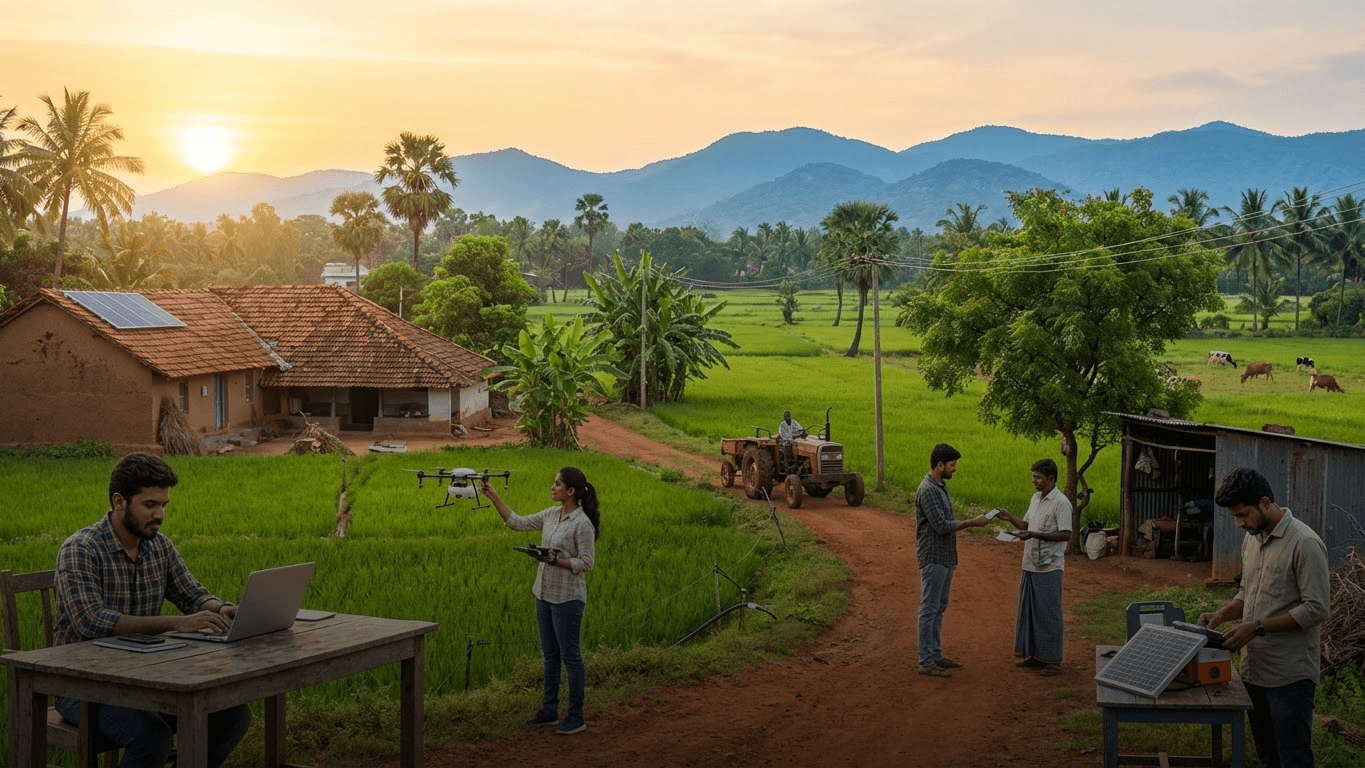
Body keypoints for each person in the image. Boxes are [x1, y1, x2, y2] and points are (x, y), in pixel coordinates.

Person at [53, 453, 252, 768]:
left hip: (144, 679)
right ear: (120, 502)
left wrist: (225, 609)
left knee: (233, 715)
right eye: (150, 505)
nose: (160, 514)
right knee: (151, 737)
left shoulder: (159, 546)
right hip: (82, 686)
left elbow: (192, 594)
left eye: (164, 505)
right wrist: (177, 623)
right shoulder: (81, 549)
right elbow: (91, 621)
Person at [1197, 468, 1329, 768]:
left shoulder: (1304, 544)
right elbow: (1248, 592)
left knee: (1292, 758)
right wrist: (1223, 614)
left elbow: (1317, 608)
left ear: (1266, 503)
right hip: (1253, 669)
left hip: (1289, 675)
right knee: (1267, 756)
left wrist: (1257, 628)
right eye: (1234, 516)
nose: (1239, 523)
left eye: (1243, 515)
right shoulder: (1252, 540)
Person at [482, 466, 599, 735]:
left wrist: (554, 560)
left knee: (570, 657)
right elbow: (517, 522)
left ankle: (575, 716)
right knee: (550, 656)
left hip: (567, 599)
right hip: (543, 594)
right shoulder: (550, 515)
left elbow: (587, 562)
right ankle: (549, 710)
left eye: (557, 484)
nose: (552, 486)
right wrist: (493, 496)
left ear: (570, 491)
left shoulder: (582, 524)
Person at [914, 443, 990, 678]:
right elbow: (940, 525)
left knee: (939, 608)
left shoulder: (940, 486)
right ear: (939, 465)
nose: (954, 469)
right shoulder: (927, 490)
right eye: (952, 465)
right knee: (929, 609)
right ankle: (926, 662)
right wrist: (972, 523)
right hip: (934, 556)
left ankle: (936, 655)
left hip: (945, 557)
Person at [995, 458, 1073, 677]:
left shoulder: (1061, 503)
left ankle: (1052, 660)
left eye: (1038, 478)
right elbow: (1027, 526)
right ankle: (1035, 655)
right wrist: (1009, 518)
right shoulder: (1036, 499)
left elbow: (1066, 534)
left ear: (1051, 479)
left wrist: (1034, 534)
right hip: (1030, 563)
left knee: (1049, 613)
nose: (1034, 482)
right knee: (1030, 611)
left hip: (1049, 566)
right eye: (1033, 477)